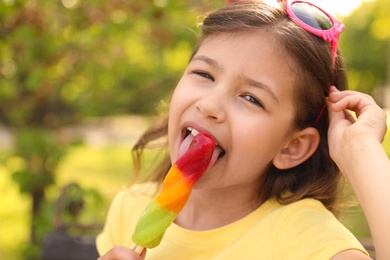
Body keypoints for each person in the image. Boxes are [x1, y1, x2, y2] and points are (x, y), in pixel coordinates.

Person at [96, 0, 390, 259]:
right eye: (204, 74)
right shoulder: (130, 208)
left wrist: (361, 151)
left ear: (292, 146)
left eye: (251, 98)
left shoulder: (306, 240)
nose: (210, 104)